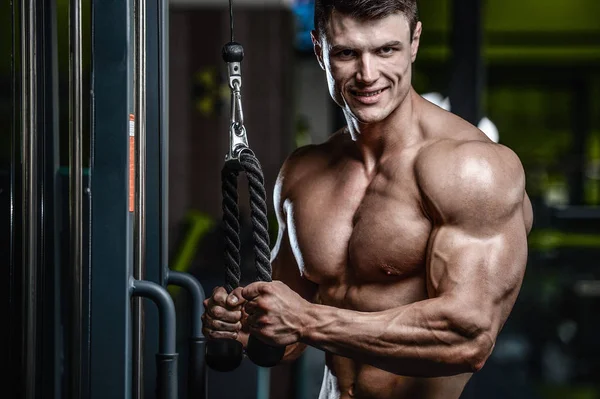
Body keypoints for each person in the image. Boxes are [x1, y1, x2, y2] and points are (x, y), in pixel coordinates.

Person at [202, 0, 533, 398]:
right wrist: (243, 326)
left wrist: (308, 321)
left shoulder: (469, 168)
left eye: (386, 50)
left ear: (414, 42)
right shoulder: (304, 173)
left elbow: (467, 337)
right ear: (320, 50)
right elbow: (284, 334)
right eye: (346, 53)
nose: (367, 74)